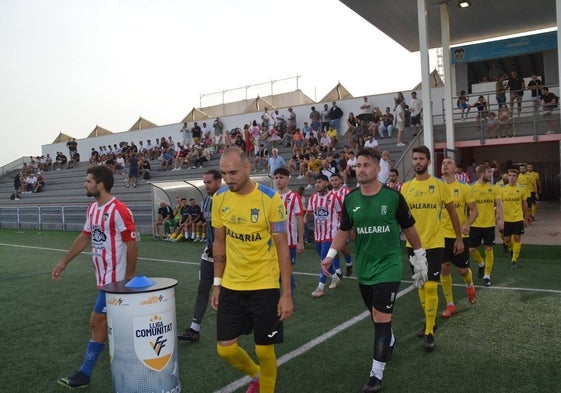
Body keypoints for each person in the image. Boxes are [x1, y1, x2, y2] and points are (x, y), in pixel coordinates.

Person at [320, 148, 426, 393]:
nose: (361, 169)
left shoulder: (393, 197)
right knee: (375, 316)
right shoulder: (351, 199)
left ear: (378, 169)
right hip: (365, 269)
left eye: (366, 165)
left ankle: (375, 375)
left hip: (389, 266)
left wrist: (419, 256)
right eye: (358, 165)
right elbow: (343, 230)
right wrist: (330, 256)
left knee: (380, 317)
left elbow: (409, 228)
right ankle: (389, 338)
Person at [211, 147, 293, 393]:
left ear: (248, 169)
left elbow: (282, 247)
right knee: (225, 348)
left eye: (233, 172)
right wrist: (217, 282)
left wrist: (286, 293)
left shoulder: (269, 199)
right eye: (224, 174)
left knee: (264, 349)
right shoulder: (220, 199)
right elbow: (219, 241)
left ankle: (265, 386)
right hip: (232, 284)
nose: (228, 178)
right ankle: (256, 374)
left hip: (264, 284)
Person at [52, 166, 138, 388]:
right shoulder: (92, 209)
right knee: (113, 324)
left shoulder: (119, 210)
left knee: (97, 321)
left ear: (100, 185)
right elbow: (84, 237)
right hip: (103, 278)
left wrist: (127, 278)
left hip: (115, 281)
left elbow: (131, 244)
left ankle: (84, 374)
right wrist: (64, 262)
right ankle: (130, 364)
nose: (85, 184)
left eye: (89, 181)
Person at [400, 146, 464, 351]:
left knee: (430, 286)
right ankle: (430, 322)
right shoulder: (405, 187)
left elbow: (453, 214)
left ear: (428, 162)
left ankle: (429, 331)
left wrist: (459, 238)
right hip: (413, 246)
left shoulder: (439, 185)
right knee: (420, 285)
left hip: (436, 244)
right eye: (415, 158)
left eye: (421, 158)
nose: (417, 162)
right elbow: (400, 217)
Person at [178, 169, 223, 343]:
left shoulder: (227, 200)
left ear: (219, 181)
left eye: (209, 182)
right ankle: (194, 329)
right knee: (203, 288)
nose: (206, 186)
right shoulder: (206, 201)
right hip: (208, 253)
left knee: (227, 293)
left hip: (224, 256)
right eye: (204, 182)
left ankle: (231, 331)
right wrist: (209, 245)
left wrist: (218, 247)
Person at [438, 157, 479, 318]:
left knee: (462, 270)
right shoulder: (437, 188)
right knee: (444, 267)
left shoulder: (464, 188)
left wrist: (468, 224)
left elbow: (474, 210)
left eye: (449, 163)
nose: (445, 165)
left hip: (459, 235)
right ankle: (450, 305)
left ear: (455, 168)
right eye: (443, 163)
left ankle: (470, 284)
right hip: (440, 236)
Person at [305, 174, 343, 297]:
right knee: (324, 261)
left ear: (327, 183)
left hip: (330, 234)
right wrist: (305, 218)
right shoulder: (313, 198)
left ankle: (320, 288)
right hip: (318, 235)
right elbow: (309, 212)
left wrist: (342, 229)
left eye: (320, 182)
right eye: (316, 182)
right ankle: (334, 276)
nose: (317, 184)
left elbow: (341, 213)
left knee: (323, 261)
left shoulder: (334, 198)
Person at [469, 164, 504, 286]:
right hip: (475, 225)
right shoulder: (471, 188)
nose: (491, 175)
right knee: (471, 249)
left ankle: (487, 276)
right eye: (489, 173)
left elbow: (499, 204)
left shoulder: (494, 188)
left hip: (489, 224)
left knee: (489, 249)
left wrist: (500, 219)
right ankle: (481, 264)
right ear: (481, 174)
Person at [273, 167, 305, 292]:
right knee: (276, 270)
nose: (278, 180)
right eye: (276, 178)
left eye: (281, 177)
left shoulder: (294, 197)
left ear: (287, 179)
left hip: (290, 241)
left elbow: (299, 218)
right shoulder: (272, 197)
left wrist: (300, 241)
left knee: (287, 270)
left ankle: (288, 297)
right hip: (275, 241)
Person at [499, 169, 531, 268]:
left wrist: (526, 217)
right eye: (510, 175)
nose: (512, 177)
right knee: (507, 239)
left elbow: (524, 204)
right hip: (507, 219)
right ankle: (511, 249)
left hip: (518, 218)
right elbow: (500, 205)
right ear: (507, 177)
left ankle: (514, 260)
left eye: (514, 176)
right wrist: (499, 218)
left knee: (517, 238)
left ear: (517, 178)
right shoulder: (502, 189)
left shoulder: (522, 188)